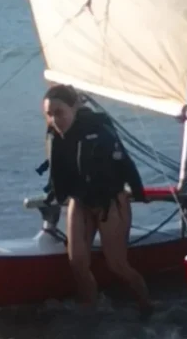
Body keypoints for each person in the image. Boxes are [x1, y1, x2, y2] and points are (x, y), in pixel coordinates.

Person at [41, 84, 153, 313]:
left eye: (59, 112)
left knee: (117, 265)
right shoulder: (55, 135)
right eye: (49, 114)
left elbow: (126, 163)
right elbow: (58, 173)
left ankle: (146, 306)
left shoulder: (98, 128)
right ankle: (91, 307)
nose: (54, 119)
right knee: (77, 263)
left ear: (74, 108)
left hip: (109, 201)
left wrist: (139, 192)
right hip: (79, 201)